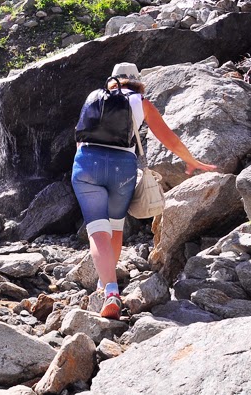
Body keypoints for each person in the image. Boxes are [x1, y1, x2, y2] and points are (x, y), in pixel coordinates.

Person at [71, 62, 217, 319]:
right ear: (136, 81)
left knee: (97, 230)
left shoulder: (93, 98)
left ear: (112, 80)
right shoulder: (141, 102)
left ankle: (110, 290)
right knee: (115, 227)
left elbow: (80, 137)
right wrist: (191, 160)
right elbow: (168, 138)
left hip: (86, 164)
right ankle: (105, 285)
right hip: (122, 168)